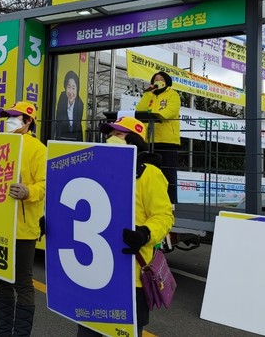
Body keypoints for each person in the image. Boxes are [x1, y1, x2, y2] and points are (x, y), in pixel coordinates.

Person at [77, 116, 174, 337]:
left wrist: (145, 233)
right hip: (94, 270)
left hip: (131, 274)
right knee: (88, 331)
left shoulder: (150, 174)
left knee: (125, 332)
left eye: (118, 134)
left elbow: (164, 216)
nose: (111, 138)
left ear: (134, 141)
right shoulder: (93, 169)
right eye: (110, 134)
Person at [0, 101, 47, 336]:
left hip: (23, 227)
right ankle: (3, 332)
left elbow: (46, 184)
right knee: (1, 281)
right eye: (8, 117)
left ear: (28, 121)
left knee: (23, 283)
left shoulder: (38, 149)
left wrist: (29, 191)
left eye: (15, 117)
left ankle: (21, 334)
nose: (9, 121)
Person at [136, 71, 181, 203]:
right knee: (149, 172)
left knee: (168, 173)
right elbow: (140, 109)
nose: (158, 80)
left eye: (161, 78)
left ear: (166, 81)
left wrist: (156, 115)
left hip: (167, 140)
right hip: (149, 140)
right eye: (156, 79)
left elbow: (171, 110)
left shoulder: (173, 94)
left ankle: (171, 203)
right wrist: (147, 92)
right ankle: (151, 201)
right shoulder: (150, 95)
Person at [54, 70, 84, 141]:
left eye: (73, 88)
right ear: (65, 87)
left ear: (77, 89)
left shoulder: (80, 104)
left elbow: (77, 127)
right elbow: (58, 122)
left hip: (75, 139)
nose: (71, 92)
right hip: (62, 138)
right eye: (68, 87)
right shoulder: (62, 97)